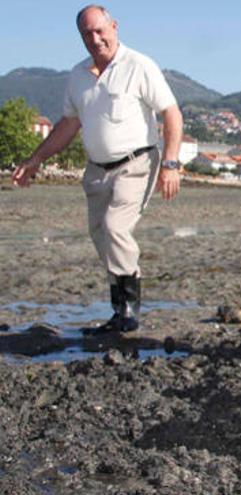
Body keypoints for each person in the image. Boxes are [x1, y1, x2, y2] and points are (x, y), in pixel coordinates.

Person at [12, 5, 182, 334]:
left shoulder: (139, 65)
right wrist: (35, 160)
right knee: (101, 234)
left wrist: (172, 163)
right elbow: (67, 124)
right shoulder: (77, 76)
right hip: (96, 170)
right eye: (87, 34)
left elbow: (171, 113)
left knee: (115, 227)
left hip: (137, 163)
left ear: (114, 27)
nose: (95, 38)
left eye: (100, 30)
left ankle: (129, 310)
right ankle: (120, 310)